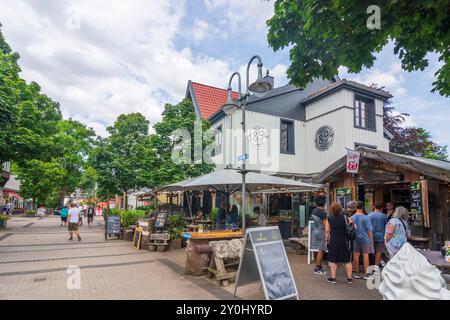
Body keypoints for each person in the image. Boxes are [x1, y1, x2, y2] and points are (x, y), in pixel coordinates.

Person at [325, 203, 353, 284]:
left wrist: (326, 240)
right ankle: (349, 279)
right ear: (340, 209)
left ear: (332, 209)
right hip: (345, 241)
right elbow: (354, 227)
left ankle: (333, 279)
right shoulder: (346, 218)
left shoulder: (329, 218)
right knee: (347, 260)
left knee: (333, 260)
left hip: (334, 241)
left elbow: (327, 231)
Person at [352, 201, 374, 280]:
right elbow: (370, 231)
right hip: (365, 239)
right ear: (363, 208)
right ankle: (367, 273)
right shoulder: (366, 217)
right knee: (365, 255)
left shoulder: (352, 217)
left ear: (356, 208)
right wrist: (371, 240)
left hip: (355, 238)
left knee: (356, 255)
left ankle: (356, 273)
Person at [311, 195, 328, 276]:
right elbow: (326, 224)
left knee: (320, 250)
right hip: (322, 231)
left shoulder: (314, 210)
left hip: (316, 230)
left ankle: (319, 266)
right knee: (321, 250)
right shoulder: (322, 213)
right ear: (324, 203)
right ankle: (317, 268)